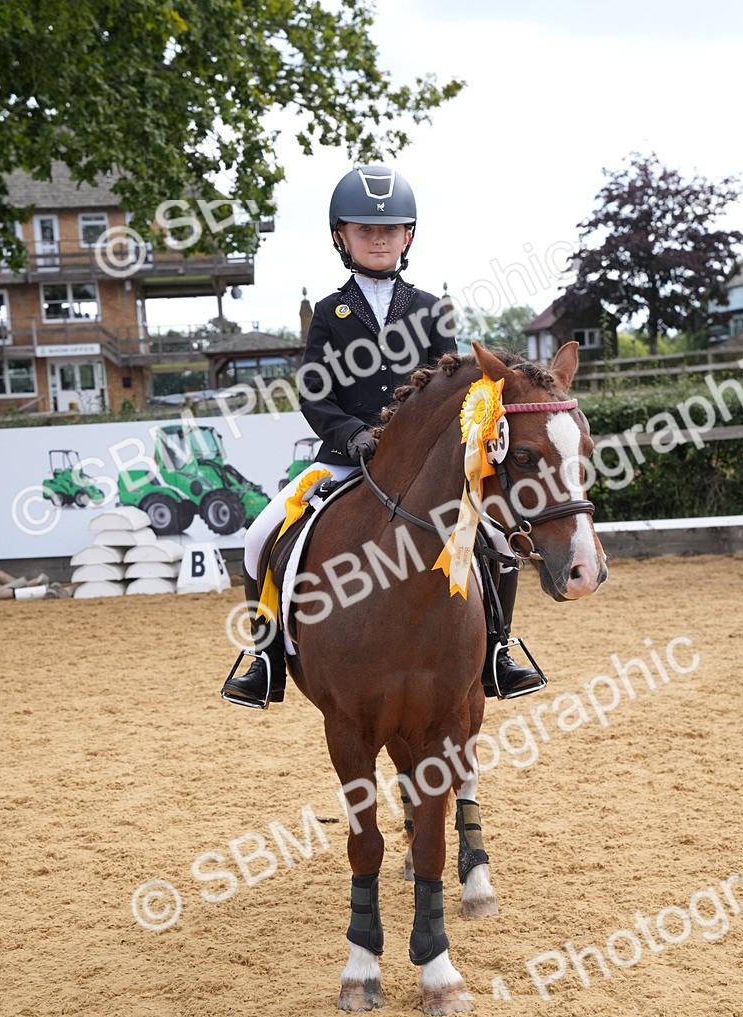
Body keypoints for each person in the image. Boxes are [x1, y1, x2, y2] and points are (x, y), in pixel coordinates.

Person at [221, 163, 542, 708]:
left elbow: (453, 389)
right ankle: (266, 659)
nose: (378, 239)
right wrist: (352, 435)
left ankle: (497, 651)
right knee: (259, 536)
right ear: (341, 237)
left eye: (390, 229)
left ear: (407, 237)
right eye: (365, 229)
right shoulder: (329, 313)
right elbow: (314, 394)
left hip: (422, 467)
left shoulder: (430, 309)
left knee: (494, 538)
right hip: (346, 459)